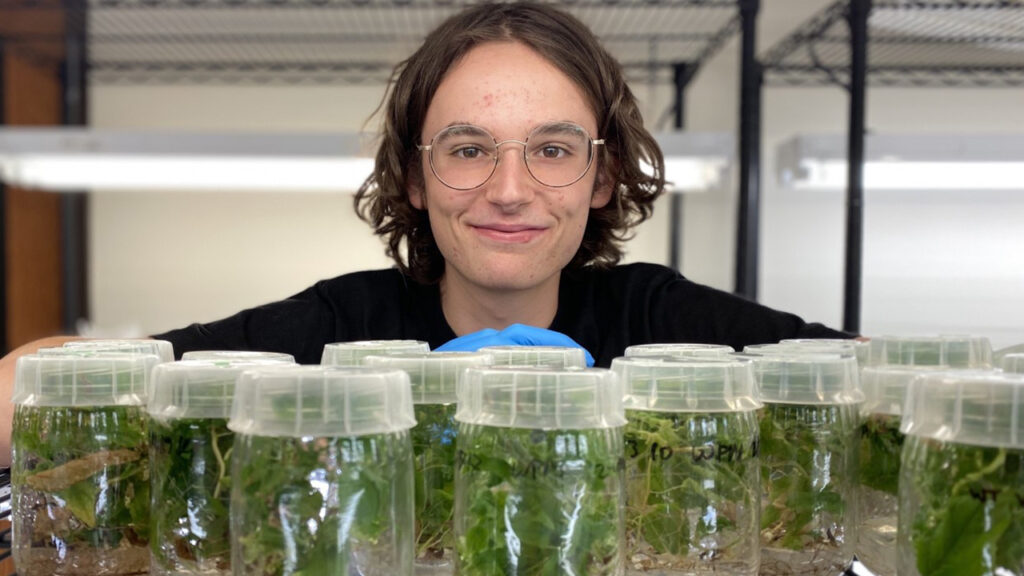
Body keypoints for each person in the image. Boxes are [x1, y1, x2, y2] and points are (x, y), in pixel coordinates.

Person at [0, 2, 851, 464]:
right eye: (468, 148)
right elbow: (46, 381)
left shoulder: (663, 323)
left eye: (552, 150)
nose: (509, 190)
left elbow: (884, 383)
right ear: (413, 175)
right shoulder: (339, 330)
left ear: (600, 176)